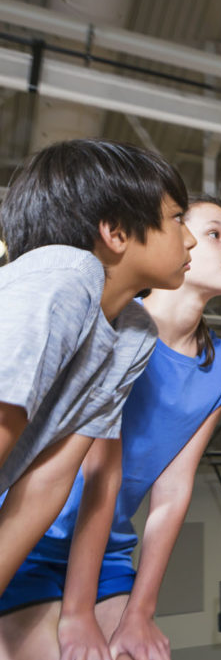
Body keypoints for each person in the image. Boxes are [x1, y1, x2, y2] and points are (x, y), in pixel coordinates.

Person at [0, 195, 221, 660]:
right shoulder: (120, 326)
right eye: (216, 233)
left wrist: (140, 612)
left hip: (107, 552)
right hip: (30, 535)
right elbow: (97, 472)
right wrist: (78, 614)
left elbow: (173, 492)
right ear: (181, 241)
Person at [0, 139, 193, 597]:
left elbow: (49, 479)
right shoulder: (63, 277)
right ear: (116, 232)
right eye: (178, 219)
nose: (188, 238)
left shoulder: (134, 333)